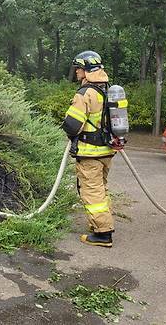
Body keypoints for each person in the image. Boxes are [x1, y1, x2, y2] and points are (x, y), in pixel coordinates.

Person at [62, 51, 116, 247]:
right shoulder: (108, 89)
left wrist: (68, 128)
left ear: (86, 70)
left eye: (79, 68)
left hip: (90, 152)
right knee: (101, 189)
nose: (76, 72)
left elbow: (72, 125)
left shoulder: (85, 93)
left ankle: (103, 233)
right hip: (106, 151)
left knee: (92, 192)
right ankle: (102, 224)